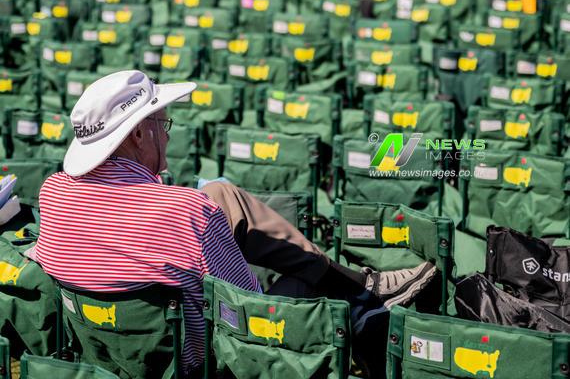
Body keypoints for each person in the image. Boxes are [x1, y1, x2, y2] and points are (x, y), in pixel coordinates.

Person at [34, 71, 437, 376]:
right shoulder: (185, 211)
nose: (168, 137)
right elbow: (246, 307)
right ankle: (363, 303)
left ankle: (361, 287)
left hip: (110, 352)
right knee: (310, 288)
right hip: (199, 361)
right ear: (139, 134)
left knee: (221, 194)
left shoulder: (53, 193)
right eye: (164, 124)